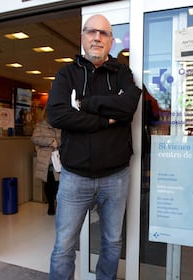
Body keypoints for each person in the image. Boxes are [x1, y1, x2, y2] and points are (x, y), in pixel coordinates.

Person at [46, 14, 141, 280]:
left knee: (111, 243)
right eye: (91, 32)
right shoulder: (67, 73)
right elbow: (58, 114)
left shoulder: (122, 73)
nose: (97, 37)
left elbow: (128, 106)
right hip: (75, 177)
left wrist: (84, 104)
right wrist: (105, 118)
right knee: (64, 246)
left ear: (111, 41)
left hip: (115, 177)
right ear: (82, 38)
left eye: (104, 33)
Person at [31, 112, 61, 215]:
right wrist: (50, 141)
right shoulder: (40, 125)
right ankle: (51, 205)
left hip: (58, 159)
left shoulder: (60, 124)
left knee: (59, 183)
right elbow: (34, 138)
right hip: (46, 160)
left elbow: (66, 139)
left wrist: (58, 143)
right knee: (49, 184)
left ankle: (58, 203)